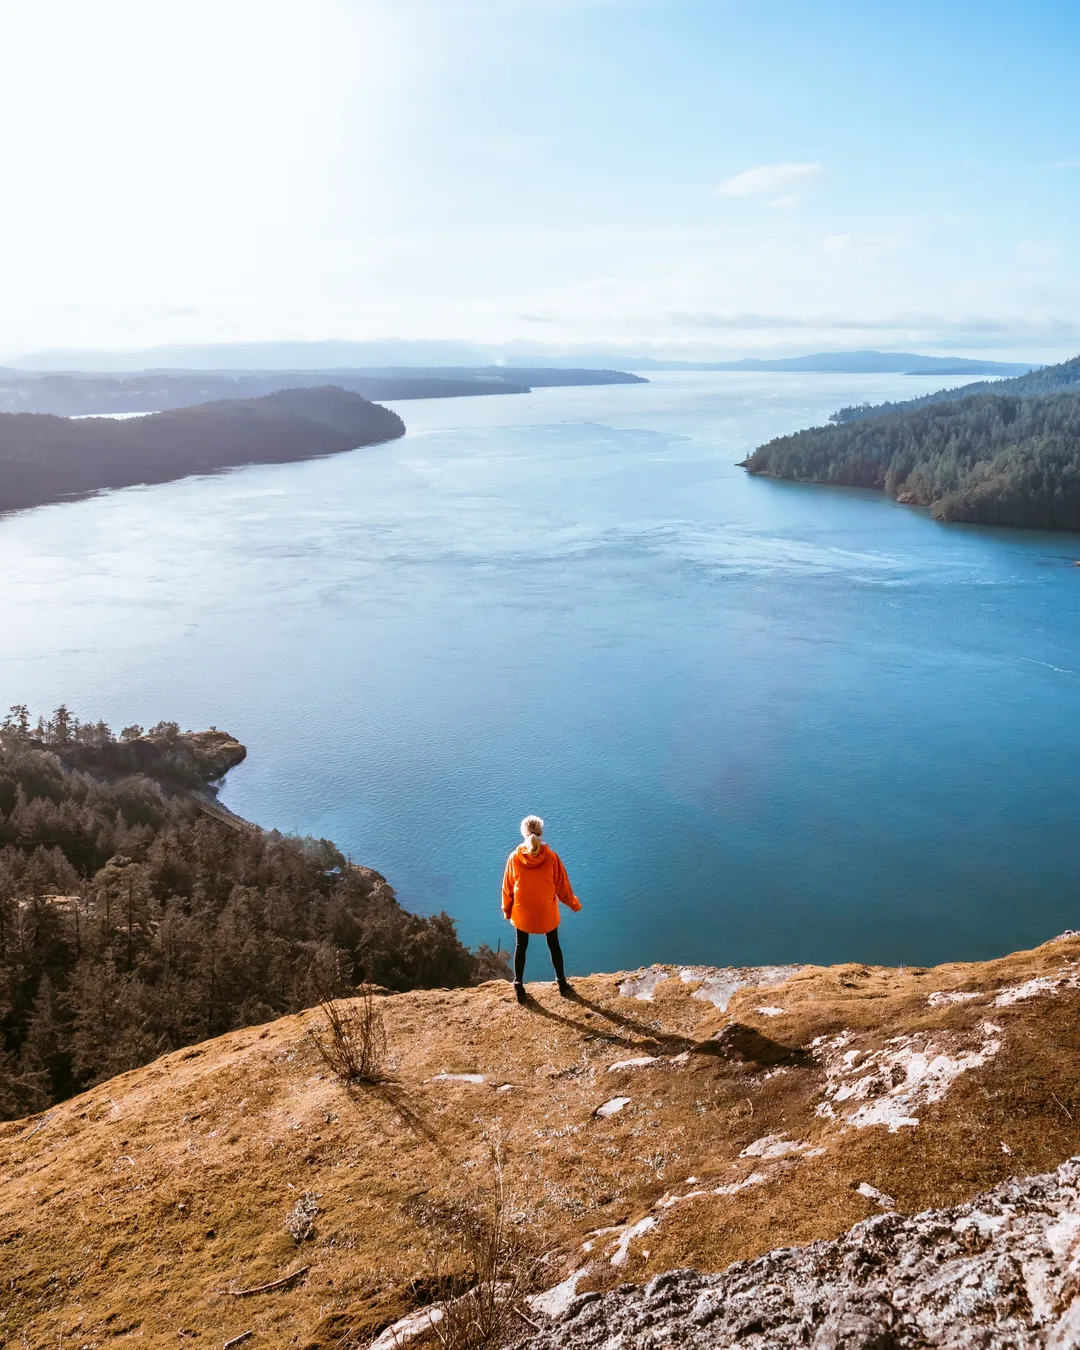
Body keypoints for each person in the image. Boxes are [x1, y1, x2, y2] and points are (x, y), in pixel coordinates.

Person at [502, 814, 581, 1003]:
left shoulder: (514, 858)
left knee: (521, 945)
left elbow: (507, 887)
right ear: (541, 832)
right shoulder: (551, 857)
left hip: (522, 912)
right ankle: (562, 983)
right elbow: (563, 886)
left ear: (524, 833)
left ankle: (518, 984)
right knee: (554, 945)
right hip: (546, 911)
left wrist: (507, 910)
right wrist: (574, 904)